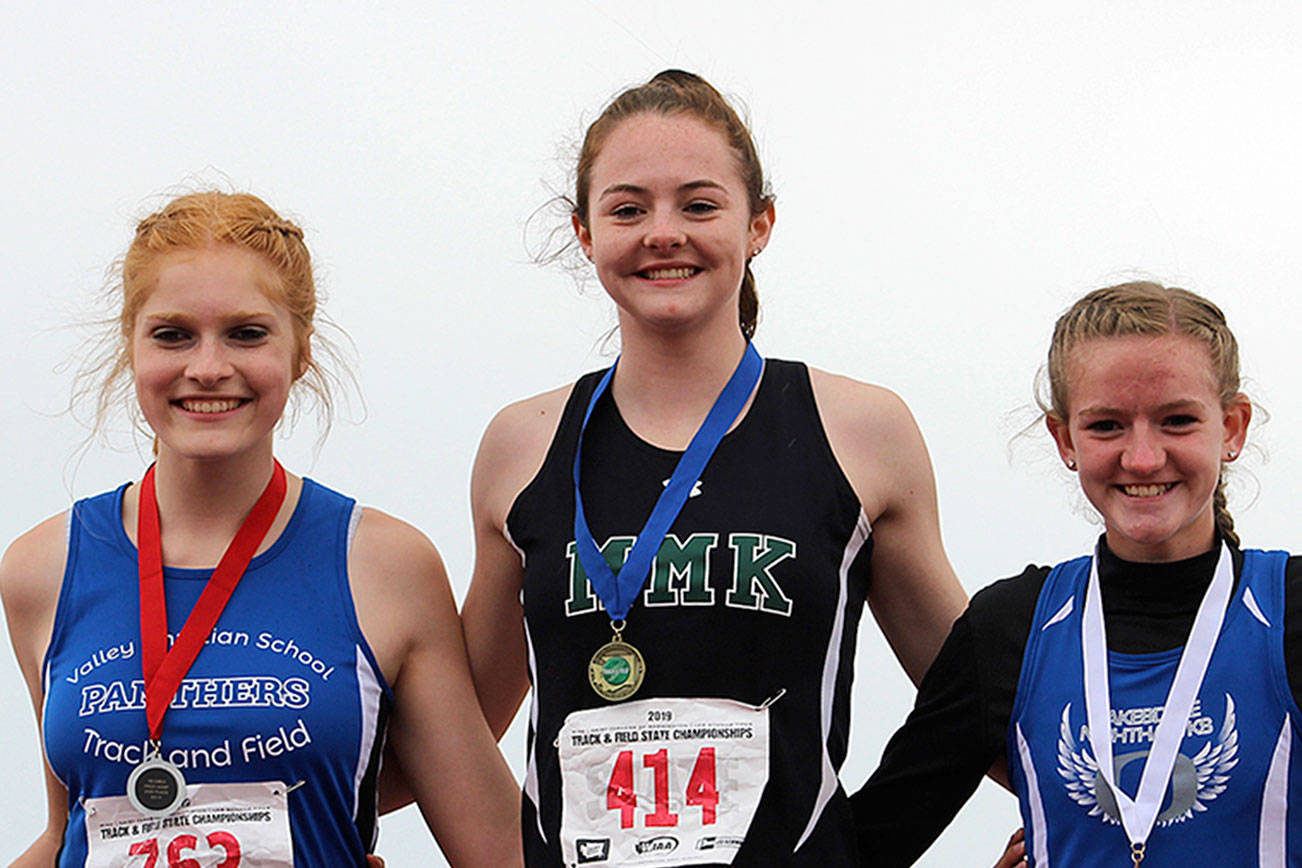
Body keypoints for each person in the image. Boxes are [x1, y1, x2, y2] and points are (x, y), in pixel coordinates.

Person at [459, 70, 968, 866]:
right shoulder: (520, 446)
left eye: (700, 205)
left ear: (759, 224)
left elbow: (967, 694)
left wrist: (1074, 823)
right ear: (585, 233)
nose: (664, 232)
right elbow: (454, 728)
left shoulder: (861, 431)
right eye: (629, 209)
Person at [0, 192, 521, 867]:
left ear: (300, 351)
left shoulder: (384, 565)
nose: (208, 367)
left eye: (247, 333)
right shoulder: (42, 567)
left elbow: (499, 849)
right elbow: (69, 828)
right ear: (131, 346)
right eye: (172, 333)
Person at [854, 282, 1301, 866]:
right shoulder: (1011, 629)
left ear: (1233, 428)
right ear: (1064, 438)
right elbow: (859, 845)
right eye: (1106, 426)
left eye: (1177, 421)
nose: (1142, 457)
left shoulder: (1288, 612)